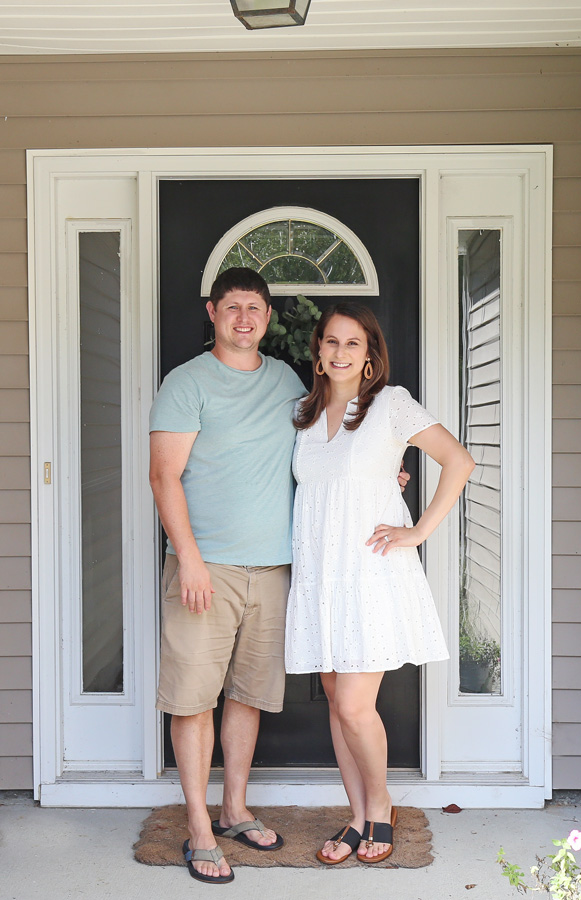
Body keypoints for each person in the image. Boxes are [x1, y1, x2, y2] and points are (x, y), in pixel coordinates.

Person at [285, 302, 475, 865]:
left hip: (367, 573)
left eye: (352, 344)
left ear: (370, 357)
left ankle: (382, 805)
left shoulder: (390, 405)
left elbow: (458, 460)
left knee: (353, 706)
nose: (340, 352)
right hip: (319, 576)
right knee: (336, 707)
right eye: (331, 342)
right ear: (317, 351)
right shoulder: (302, 413)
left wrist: (417, 530)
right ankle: (357, 814)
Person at [148, 267, 306, 884]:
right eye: (233, 307)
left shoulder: (287, 380)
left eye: (256, 308)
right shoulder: (187, 383)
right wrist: (187, 557)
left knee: (248, 694)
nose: (245, 318)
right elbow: (164, 475)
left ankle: (234, 809)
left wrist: (379, 482)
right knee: (192, 700)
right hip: (204, 568)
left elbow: (315, 455)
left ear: (268, 318)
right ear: (212, 312)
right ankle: (197, 828)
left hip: (272, 568)